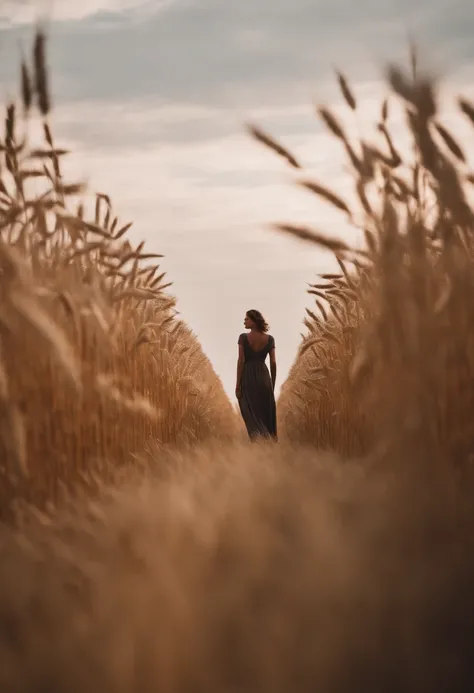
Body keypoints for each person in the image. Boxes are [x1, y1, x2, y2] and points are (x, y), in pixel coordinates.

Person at [235, 309, 277, 441]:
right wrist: (272, 384)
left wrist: (238, 385)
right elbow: (273, 363)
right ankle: (268, 443)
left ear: (253, 321)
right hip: (264, 377)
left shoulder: (243, 337)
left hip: (248, 377)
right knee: (264, 412)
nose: (244, 321)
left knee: (249, 411)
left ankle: (257, 442)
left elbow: (241, 360)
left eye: (246, 319)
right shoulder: (270, 339)